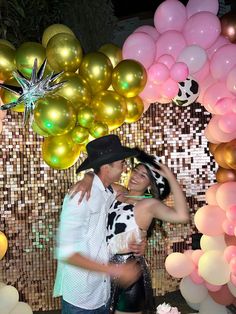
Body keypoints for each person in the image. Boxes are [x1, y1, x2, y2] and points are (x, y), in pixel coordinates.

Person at [70, 148, 189, 314]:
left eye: (143, 175)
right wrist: (88, 176)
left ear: (150, 183)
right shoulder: (119, 192)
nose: (135, 177)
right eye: (136, 171)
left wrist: (170, 176)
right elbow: (100, 179)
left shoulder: (148, 204)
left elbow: (182, 216)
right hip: (105, 269)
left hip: (129, 272)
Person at [53, 134, 142, 314]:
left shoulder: (108, 192)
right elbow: (67, 253)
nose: (125, 168)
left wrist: (131, 242)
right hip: (80, 298)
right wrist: (114, 270)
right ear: (106, 167)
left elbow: (135, 196)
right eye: (121, 163)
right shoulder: (79, 196)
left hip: (100, 292)